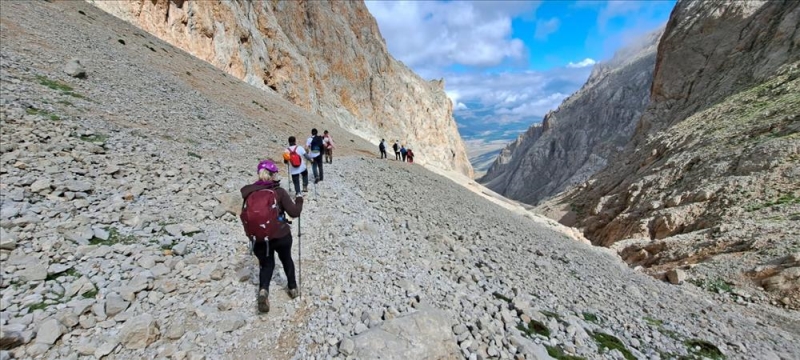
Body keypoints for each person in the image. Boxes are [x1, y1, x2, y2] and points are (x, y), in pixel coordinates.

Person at [240, 159, 303, 313]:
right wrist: (299, 200)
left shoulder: (250, 193)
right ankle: (293, 288)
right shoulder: (278, 192)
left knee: (266, 265)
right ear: (272, 174)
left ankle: (263, 291)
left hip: (260, 238)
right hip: (281, 235)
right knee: (286, 259)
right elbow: (294, 213)